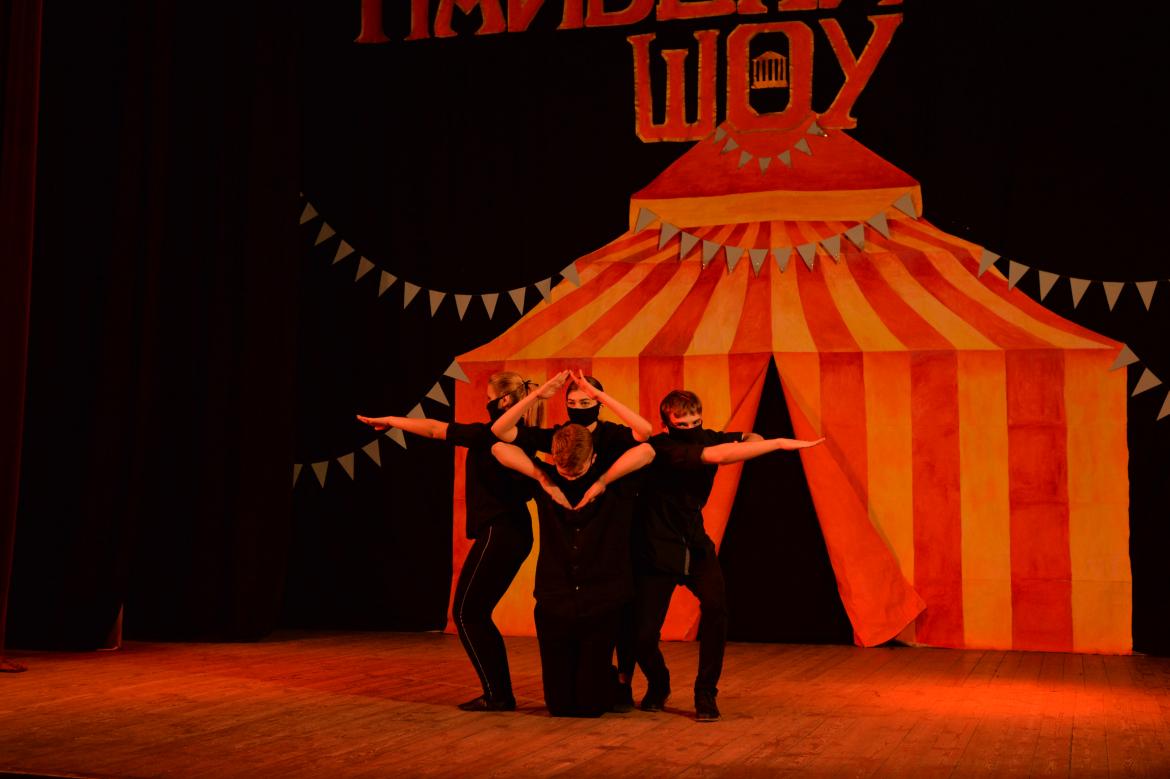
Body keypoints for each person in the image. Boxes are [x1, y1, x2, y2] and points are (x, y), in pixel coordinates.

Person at [356, 371, 554, 712]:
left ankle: (499, 695)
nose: (486, 402)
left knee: (467, 612)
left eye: (489, 397)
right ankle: (498, 693)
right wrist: (391, 420)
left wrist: (391, 420)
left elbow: (437, 429)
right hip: (510, 532)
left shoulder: (497, 436)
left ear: (505, 401)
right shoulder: (505, 436)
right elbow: (435, 428)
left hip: (502, 531)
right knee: (473, 612)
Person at [627, 389, 825, 722]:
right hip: (658, 546)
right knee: (643, 635)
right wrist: (777, 443)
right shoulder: (661, 447)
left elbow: (745, 439)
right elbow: (716, 456)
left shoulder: (708, 437)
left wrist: (752, 440)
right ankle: (659, 683)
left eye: (695, 421)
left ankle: (705, 693)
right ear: (666, 425)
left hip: (695, 543)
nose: (690, 428)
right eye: (682, 424)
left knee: (716, 609)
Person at [492, 369, 653, 711]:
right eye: (573, 402)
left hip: (602, 592)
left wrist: (602, 482)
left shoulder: (613, 460)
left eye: (585, 402)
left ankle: (613, 681)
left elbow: (647, 446)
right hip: (557, 597)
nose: (578, 407)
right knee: (560, 707)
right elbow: (499, 442)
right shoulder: (552, 466)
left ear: (592, 459)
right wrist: (543, 476)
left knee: (590, 707)